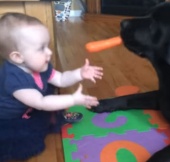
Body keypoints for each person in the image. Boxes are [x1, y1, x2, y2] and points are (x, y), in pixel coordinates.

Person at [0, 12, 103, 161]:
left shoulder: (40, 65)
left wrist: (79, 73)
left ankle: (57, 119)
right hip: (9, 119)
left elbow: (60, 79)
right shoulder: (14, 79)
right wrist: (73, 100)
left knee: (51, 93)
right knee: (28, 143)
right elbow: (41, 103)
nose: (49, 52)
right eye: (41, 48)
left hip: (32, 103)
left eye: (47, 46)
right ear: (17, 57)